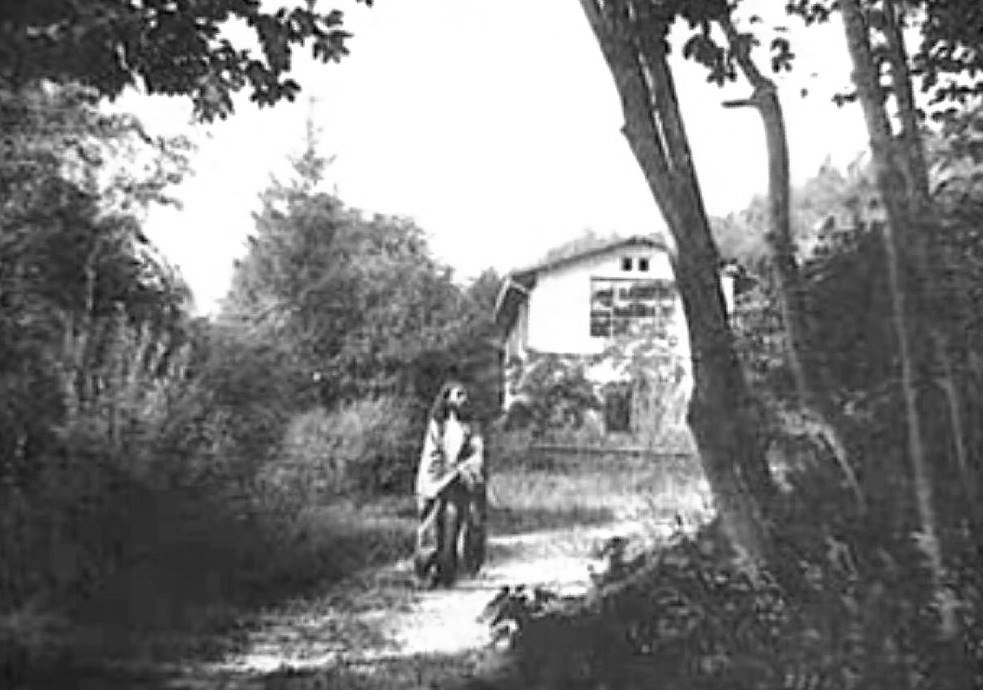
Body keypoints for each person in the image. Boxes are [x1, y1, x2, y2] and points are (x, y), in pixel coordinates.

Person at [413, 380, 487, 588]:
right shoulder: (438, 424)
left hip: (457, 482)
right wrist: (443, 474)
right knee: (430, 528)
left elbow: (477, 452)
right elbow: (432, 455)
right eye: (458, 395)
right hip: (435, 483)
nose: (464, 399)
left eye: (465, 395)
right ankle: (425, 573)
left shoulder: (471, 426)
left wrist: (467, 468)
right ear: (447, 399)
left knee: (452, 526)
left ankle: (447, 573)